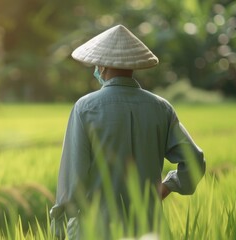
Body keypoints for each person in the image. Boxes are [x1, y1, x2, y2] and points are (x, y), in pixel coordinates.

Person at [50, 25, 206, 239]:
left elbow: (72, 181)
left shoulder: (85, 108)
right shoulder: (161, 108)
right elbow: (195, 161)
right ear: (132, 66)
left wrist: (59, 221)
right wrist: (168, 185)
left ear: (102, 66)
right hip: (149, 229)